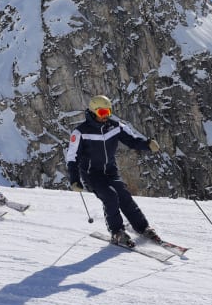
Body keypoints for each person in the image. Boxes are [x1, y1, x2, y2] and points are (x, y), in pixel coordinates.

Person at [66, 95, 162, 246]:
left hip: (110, 171)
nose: (106, 116)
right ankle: (117, 232)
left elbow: (132, 140)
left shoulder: (116, 126)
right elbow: (72, 157)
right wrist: (74, 179)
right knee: (110, 197)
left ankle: (143, 228)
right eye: (102, 113)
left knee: (124, 196)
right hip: (92, 175)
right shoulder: (80, 132)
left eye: (108, 112)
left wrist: (148, 145)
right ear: (93, 112)